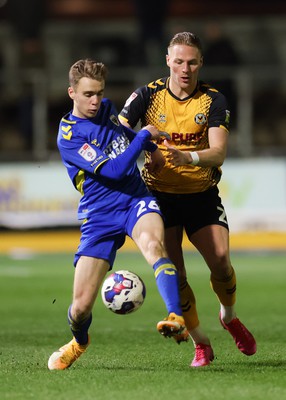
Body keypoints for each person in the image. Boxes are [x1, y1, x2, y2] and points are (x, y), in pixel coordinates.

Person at [119, 32, 257, 368]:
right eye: (179, 61)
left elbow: (218, 152)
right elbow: (118, 129)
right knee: (175, 274)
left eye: (192, 62)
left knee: (222, 261)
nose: (185, 68)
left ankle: (229, 315)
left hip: (200, 195)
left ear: (200, 63)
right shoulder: (147, 95)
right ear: (168, 60)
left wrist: (187, 159)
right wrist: (145, 147)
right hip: (158, 198)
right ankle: (202, 344)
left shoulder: (213, 99)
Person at [47, 59, 189, 371]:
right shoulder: (69, 136)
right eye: (87, 95)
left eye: (98, 93)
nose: (95, 101)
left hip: (134, 200)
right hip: (98, 215)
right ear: (72, 92)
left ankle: (175, 316)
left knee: (155, 245)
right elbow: (113, 169)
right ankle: (79, 341)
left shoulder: (106, 108)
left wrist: (150, 147)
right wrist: (142, 139)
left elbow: (122, 133)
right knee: (80, 307)